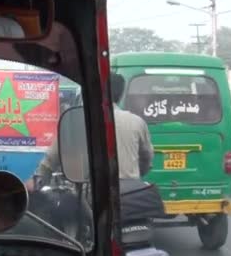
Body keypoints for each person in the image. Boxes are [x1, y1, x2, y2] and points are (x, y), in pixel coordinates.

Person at [25, 72, 154, 190]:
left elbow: (50, 160)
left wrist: (37, 184)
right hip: (130, 193)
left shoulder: (77, 121)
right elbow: (146, 160)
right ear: (120, 95)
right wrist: (132, 174)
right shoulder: (137, 122)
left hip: (92, 193)